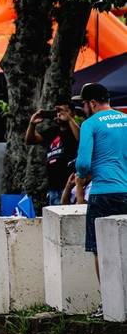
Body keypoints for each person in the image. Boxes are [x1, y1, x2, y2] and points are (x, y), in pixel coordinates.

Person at [73, 82, 127, 277]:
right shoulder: (126, 120)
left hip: (102, 194)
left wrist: (80, 179)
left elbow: (83, 164)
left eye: (84, 104)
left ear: (93, 103)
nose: (83, 109)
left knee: (100, 248)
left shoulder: (90, 124)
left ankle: (108, 301)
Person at [25, 103, 80, 206]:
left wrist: (69, 119)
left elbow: (81, 140)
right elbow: (30, 140)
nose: (60, 114)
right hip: (53, 187)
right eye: (58, 112)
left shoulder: (75, 130)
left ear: (73, 114)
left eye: (64, 111)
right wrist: (32, 124)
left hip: (70, 185)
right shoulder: (53, 131)